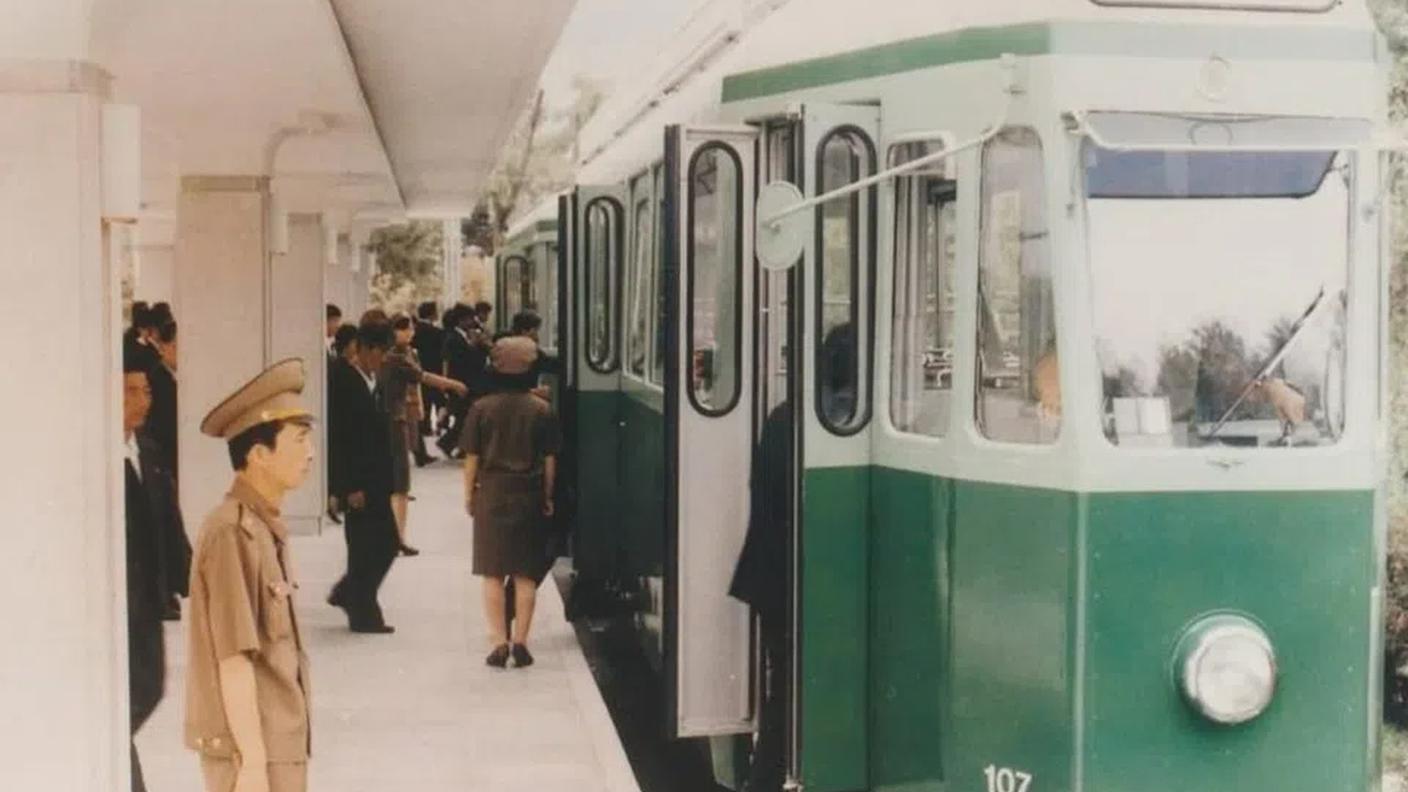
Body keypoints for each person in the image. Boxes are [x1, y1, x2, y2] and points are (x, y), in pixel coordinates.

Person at [184, 359, 315, 792]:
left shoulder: (262, 527)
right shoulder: (230, 532)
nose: (310, 453)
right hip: (254, 749)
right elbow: (233, 657)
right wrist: (253, 765)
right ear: (259, 455)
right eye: (299, 441)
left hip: (279, 738)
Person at [461, 337, 560, 668]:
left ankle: (498, 642)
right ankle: (521, 642)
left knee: (492, 573)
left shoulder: (481, 408)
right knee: (525, 575)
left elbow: (471, 459)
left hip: (491, 493)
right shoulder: (542, 410)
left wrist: (469, 494)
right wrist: (547, 496)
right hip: (528, 495)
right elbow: (549, 462)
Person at [123, 351, 185, 791]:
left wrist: (181, 577)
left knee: (151, 687)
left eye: (146, 391)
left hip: (149, 597)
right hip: (118, 599)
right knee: (127, 693)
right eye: (130, 391)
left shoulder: (148, 450)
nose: (142, 401)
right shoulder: (98, 458)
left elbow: (169, 518)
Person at [729, 395, 793, 792]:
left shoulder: (783, 416)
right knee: (786, 686)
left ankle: (765, 777)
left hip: (769, 575)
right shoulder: (822, 423)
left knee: (782, 683)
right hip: (785, 577)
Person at [327, 321, 400, 633]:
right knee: (375, 545)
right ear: (366, 349)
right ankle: (360, 608)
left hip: (374, 480)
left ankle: (353, 597)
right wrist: (348, 486)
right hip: (361, 483)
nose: (383, 360)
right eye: (381, 352)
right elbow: (340, 438)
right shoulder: (344, 381)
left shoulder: (365, 379)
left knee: (376, 544)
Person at [384, 314, 467, 556]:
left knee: (397, 483)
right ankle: (397, 538)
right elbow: (423, 378)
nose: (409, 334)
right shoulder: (397, 357)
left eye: (410, 330)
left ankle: (396, 536)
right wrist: (453, 384)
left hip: (400, 417)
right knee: (400, 482)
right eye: (404, 330)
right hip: (395, 419)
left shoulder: (402, 353)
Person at [440, 303, 491, 458]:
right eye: (470, 318)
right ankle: (448, 443)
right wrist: (475, 347)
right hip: (462, 383)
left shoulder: (460, 337)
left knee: (464, 416)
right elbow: (463, 362)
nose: (473, 322)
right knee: (464, 416)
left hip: (466, 382)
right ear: (462, 320)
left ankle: (455, 445)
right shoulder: (454, 339)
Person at [413, 301, 446, 462]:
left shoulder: (416, 330)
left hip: (419, 371)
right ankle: (439, 425)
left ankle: (426, 427)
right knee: (440, 401)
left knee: (424, 403)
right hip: (433, 372)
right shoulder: (437, 332)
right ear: (432, 313)